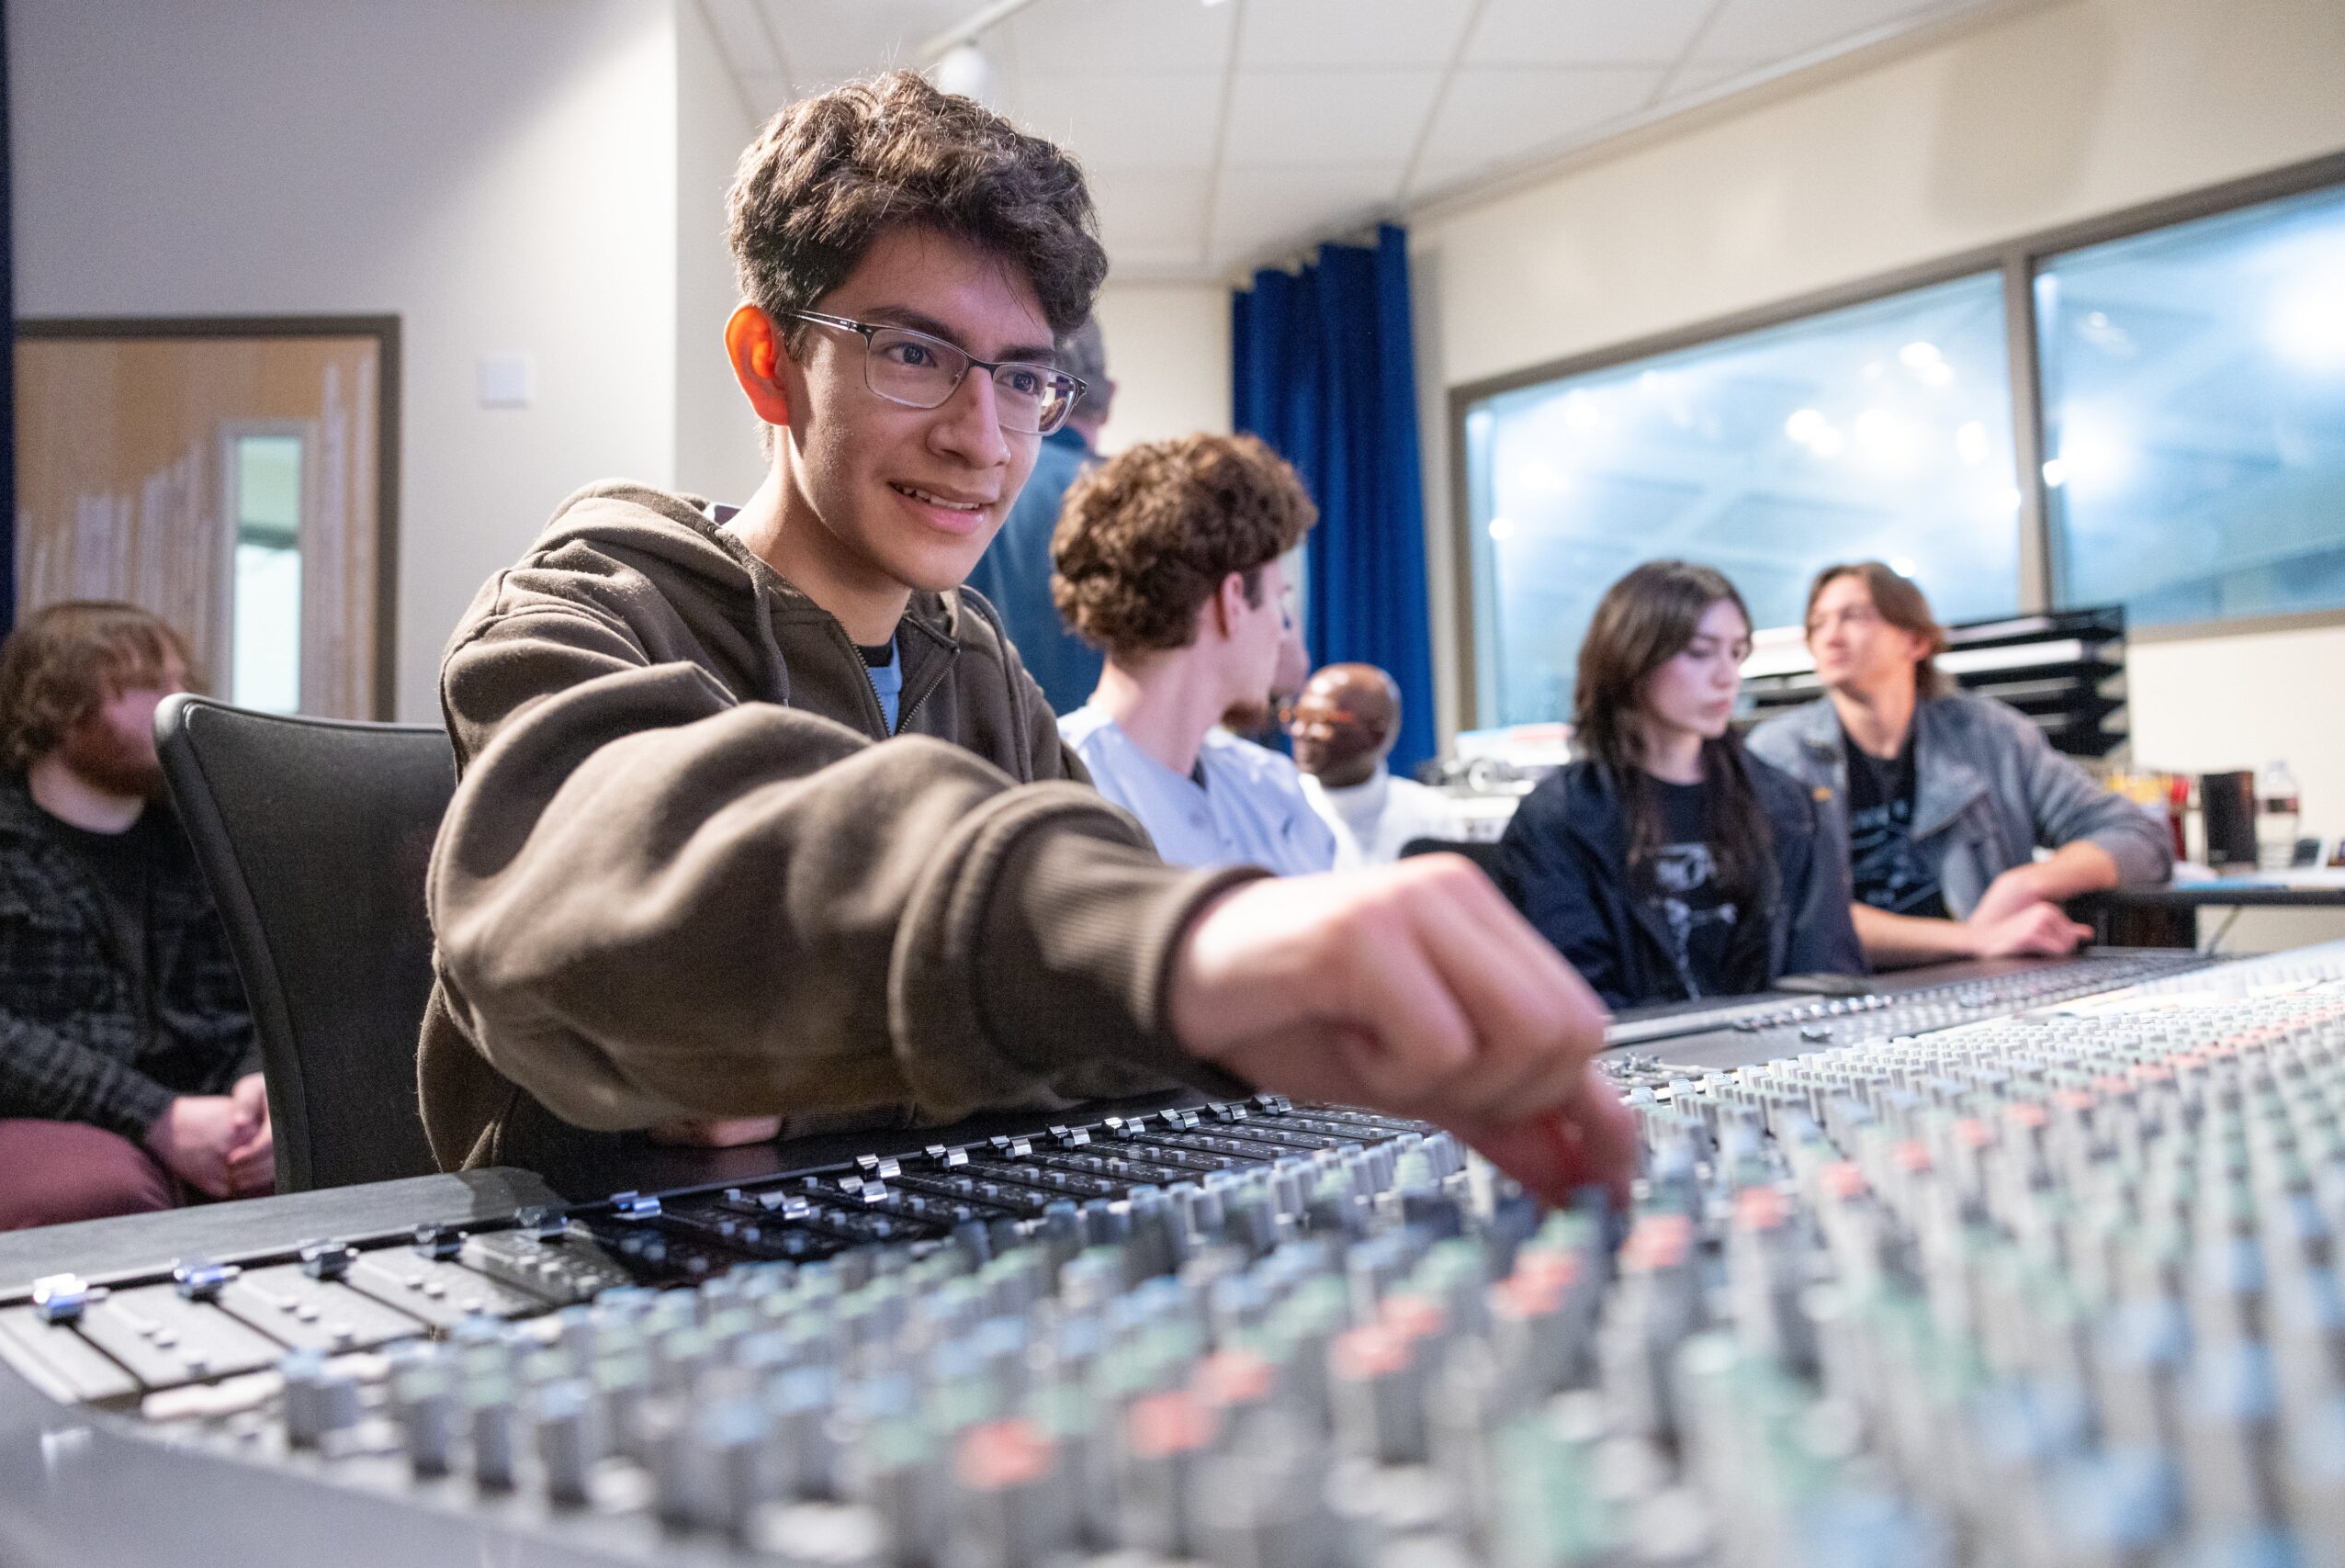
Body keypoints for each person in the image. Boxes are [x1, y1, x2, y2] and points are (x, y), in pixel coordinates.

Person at [420, 72, 1632, 1205]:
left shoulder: (980, 665)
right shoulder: (583, 605)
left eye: (1020, 376)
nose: (984, 437)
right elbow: (612, 885)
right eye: (912, 353)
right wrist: (1169, 947)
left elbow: (1078, 1029)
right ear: (769, 362)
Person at [0, 602, 270, 1229]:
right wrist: (152, 1113)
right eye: (150, 685)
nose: (178, 704)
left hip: (210, 1097)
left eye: (181, 682)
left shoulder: (203, 839)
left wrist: (263, 1085)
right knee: (96, 1189)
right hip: (58, 1109)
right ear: (56, 706)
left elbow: (269, 983)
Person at [1747, 561, 2172, 967]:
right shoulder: (1779, 754)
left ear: (1916, 640)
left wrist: (2027, 882)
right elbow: (1795, 915)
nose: (1830, 637)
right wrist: (1976, 938)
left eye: (1854, 617)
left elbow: (2137, 837)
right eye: (1818, 623)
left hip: (1980, 985)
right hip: (1845, 993)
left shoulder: (1988, 737)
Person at [1494, 563, 1863, 1010]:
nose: (1727, 677)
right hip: (1634, 1070)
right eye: (1700, 652)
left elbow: (1826, 978)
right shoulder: (1558, 818)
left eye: (1736, 653)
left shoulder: (1789, 806)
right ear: (1632, 657)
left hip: (1776, 1062)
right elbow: (1573, 1002)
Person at [1049, 434, 1337, 876]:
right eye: (1280, 601)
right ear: (1234, 600)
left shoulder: (1271, 786)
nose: (1282, 634)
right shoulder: (1061, 792)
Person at [960, 316, 1110, 717]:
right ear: (1108, 400)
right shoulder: (1140, 501)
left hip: (972, 752)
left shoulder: (956, 487)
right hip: (1101, 766)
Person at [1291, 663, 1470, 868]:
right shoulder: (1281, 809)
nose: (1298, 730)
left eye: (1319, 720)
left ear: (1376, 736)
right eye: (1299, 716)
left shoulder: (1431, 815)